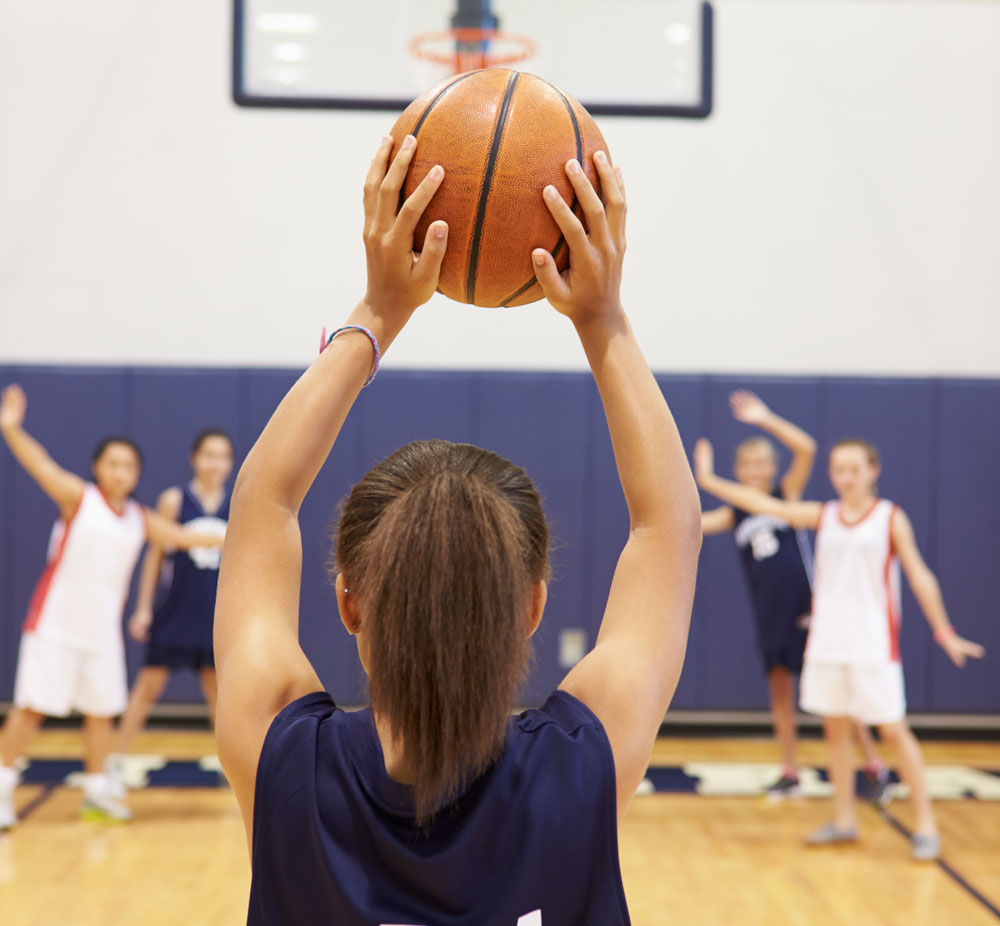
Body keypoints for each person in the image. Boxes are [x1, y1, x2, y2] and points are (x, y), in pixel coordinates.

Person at [214, 135, 701, 924]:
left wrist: (378, 310)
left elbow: (261, 505)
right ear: (533, 606)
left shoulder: (282, 758)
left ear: (349, 602)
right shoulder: (585, 762)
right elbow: (671, 526)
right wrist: (602, 320)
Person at [694, 436, 984, 859]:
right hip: (827, 643)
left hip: (872, 644)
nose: (846, 478)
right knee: (835, 732)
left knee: (894, 732)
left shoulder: (890, 517)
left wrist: (944, 631)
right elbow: (761, 505)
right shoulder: (822, 514)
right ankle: (844, 821)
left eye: (854, 470)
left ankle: (925, 824)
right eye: (838, 470)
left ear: (872, 471)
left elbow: (920, 575)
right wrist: (708, 479)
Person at [0, 386, 225, 828]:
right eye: (114, 464)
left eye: (129, 466)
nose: (121, 472)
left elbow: (184, 538)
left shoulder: (139, 518)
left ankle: (98, 791)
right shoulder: (77, 498)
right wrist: (10, 428)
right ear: (98, 468)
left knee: (102, 711)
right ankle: (3, 786)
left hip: (102, 635)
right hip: (54, 628)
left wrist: (238, 533)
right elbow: (41, 466)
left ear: (137, 473)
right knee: (31, 708)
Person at [700, 392, 888, 801]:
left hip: (806, 608)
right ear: (737, 471)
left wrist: (765, 418)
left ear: (773, 468)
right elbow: (691, 525)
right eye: (747, 464)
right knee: (781, 693)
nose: (755, 470)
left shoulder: (787, 495)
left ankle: (874, 766)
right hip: (769, 614)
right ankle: (790, 769)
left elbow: (806, 447)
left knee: (840, 693)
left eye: (762, 463)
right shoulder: (736, 513)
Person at [106, 428, 234, 797]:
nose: (215, 463)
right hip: (175, 611)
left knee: (219, 694)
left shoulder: (237, 502)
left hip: (214, 615)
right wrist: (144, 608)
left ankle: (231, 766)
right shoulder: (174, 501)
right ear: (195, 458)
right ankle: (113, 762)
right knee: (148, 687)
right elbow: (155, 556)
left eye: (223, 456)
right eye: (209, 455)